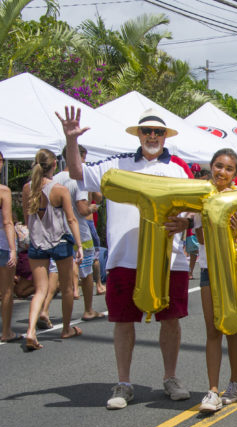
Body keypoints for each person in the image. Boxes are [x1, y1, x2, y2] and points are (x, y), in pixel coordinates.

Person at [57, 106, 192, 409]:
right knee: (122, 321)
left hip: (169, 260)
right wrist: (71, 140)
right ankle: (124, 383)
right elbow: (78, 173)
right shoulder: (116, 165)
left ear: (165, 136)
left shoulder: (178, 169)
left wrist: (186, 223)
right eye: (147, 131)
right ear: (139, 134)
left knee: (170, 319)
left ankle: (170, 377)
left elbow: (196, 207)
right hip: (124, 259)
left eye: (158, 132)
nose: (153, 136)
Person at [196, 149, 237, 413]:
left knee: (231, 326)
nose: (222, 172)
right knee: (212, 329)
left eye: (229, 168)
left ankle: (235, 382)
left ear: (236, 173)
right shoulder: (199, 196)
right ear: (211, 167)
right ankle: (212, 390)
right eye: (218, 166)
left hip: (235, 268)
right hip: (209, 267)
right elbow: (198, 237)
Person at [22, 149, 84, 350]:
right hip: (59, 241)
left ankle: (30, 331)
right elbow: (71, 219)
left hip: (37, 242)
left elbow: (26, 218)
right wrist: (80, 244)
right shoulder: (59, 190)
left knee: (40, 290)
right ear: (54, 165)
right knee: (66, 287)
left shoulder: (27, 188)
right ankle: (66, 328)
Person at [41, 146, 104, 325]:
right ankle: (88, 309)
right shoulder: (80, 179)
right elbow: (83, 209)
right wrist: (92, 207)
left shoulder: (55, 178)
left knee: (55, 272)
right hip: (80, 233)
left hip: (58, 233)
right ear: (80, 157)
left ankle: (45, 309)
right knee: (87, 271)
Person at [0, 176, 19, 342]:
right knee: (6, 290)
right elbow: (7, 222)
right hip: (2, 244)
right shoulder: (3, 191)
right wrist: (13, 249)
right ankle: (6, 332)